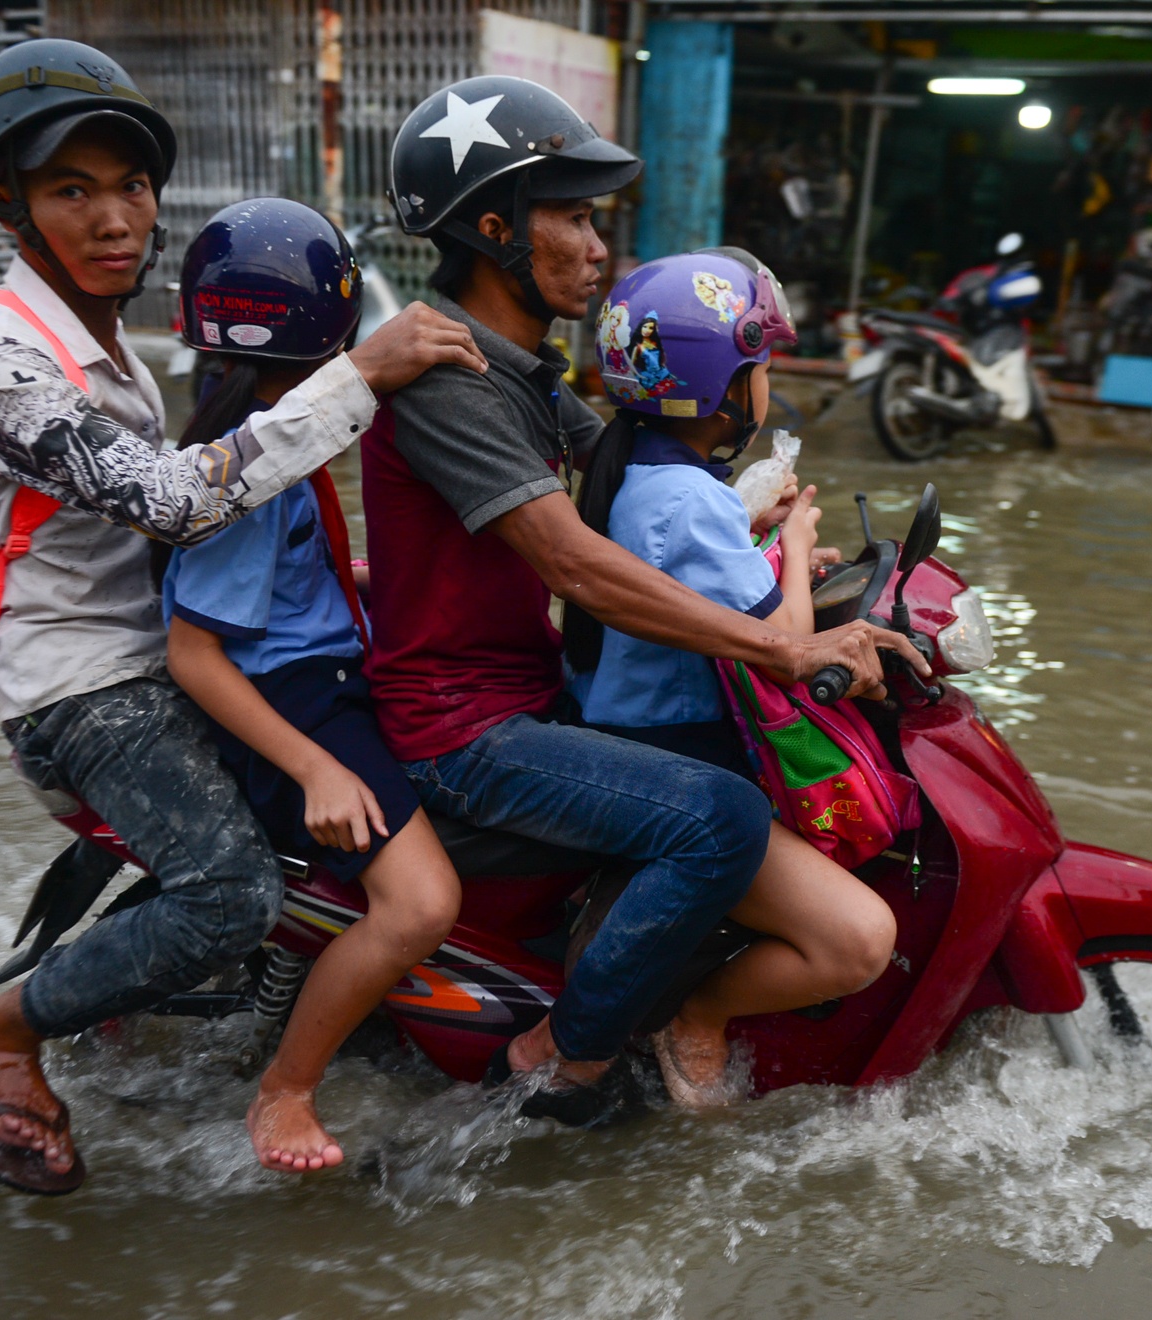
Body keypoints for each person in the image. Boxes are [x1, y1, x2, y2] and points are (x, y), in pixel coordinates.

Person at [0, 40, 482, 1195]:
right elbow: (173, 502)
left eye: (129, 186)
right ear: (5, 202)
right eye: (71, 189)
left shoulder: (109, 345)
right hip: (90, 690)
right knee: (234, 893)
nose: (115, 215)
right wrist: (362, 376)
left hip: (165, 663)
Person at [367, 76, 925, 1123]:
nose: (595, 247)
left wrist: (780, 538)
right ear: (496, 229)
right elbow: (577, 564)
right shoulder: (449, 374)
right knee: (715, 812)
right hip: (465, 731)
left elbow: (645, 473)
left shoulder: (523, 370)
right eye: (572, 218)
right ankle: (568, 1052)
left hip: (530, 692)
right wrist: (784, 650)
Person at [160, 199, 461, 1172]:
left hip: (328, 669)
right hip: (299, 707)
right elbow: (194, 652)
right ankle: (286, 1089)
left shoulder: (262, 443)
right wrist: (318, 771)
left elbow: (290, 585)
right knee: (422, 905)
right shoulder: (256, 464)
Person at [567, 250, 896, 1105]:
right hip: (683, 765)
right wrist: (790, 551)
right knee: (858, 938)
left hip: (631, 736)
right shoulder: (688, 500)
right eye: (757, 367)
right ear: (718, 384)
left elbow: (703, 588)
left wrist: (765, 546)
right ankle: (701, 1011)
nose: (764, 384)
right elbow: (784, 645)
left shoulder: (636, 470)